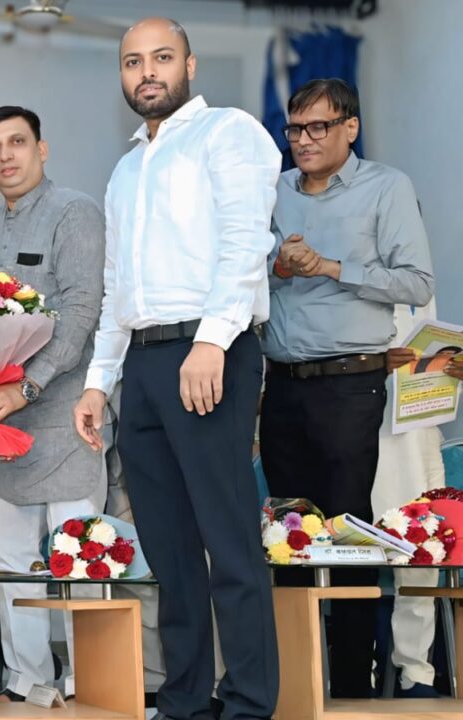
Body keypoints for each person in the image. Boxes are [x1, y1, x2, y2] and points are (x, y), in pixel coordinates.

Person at [73, 18, 281, 720]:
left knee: (228, 538)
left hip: (210, 351)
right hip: (143, 362)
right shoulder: (126, 168)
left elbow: (246, 245)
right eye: (133, 62)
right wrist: (99, 381)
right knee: (168, 548)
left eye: (161, 58)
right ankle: (186, 701)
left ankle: (249, 702)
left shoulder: (229, 133)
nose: (147, 73)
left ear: (189, 65)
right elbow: (116, 288)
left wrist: (213, 341)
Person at [261, 77, 433, 699]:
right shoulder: (272, 191)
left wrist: (332, 267)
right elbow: (240, 278)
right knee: (287, 539)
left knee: (348, 538)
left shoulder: (387, 187)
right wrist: (280, 267)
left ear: (350, 127)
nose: (303, 141)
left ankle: (355, 686)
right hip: (281, 387)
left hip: (349, 385)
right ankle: (295, 687)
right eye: (294, 129)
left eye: (318, 127)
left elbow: (416, 282)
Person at [0, 105, 106, 701]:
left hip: (67, 414)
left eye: (17, 142)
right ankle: (27, 680)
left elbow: (81, 312)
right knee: (11, 560)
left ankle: (93, 680)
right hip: (2, 425)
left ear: (41, 149)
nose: (6, 156)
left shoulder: (74, 212)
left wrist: (26, 387)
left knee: (81, 553)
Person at [378, 302, 446, 699]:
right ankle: (357, 668)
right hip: (369, 432)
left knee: (425, 553)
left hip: (422, 433)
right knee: (356, 555)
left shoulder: (422, 287)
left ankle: (415, 671)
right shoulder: (341, 278)